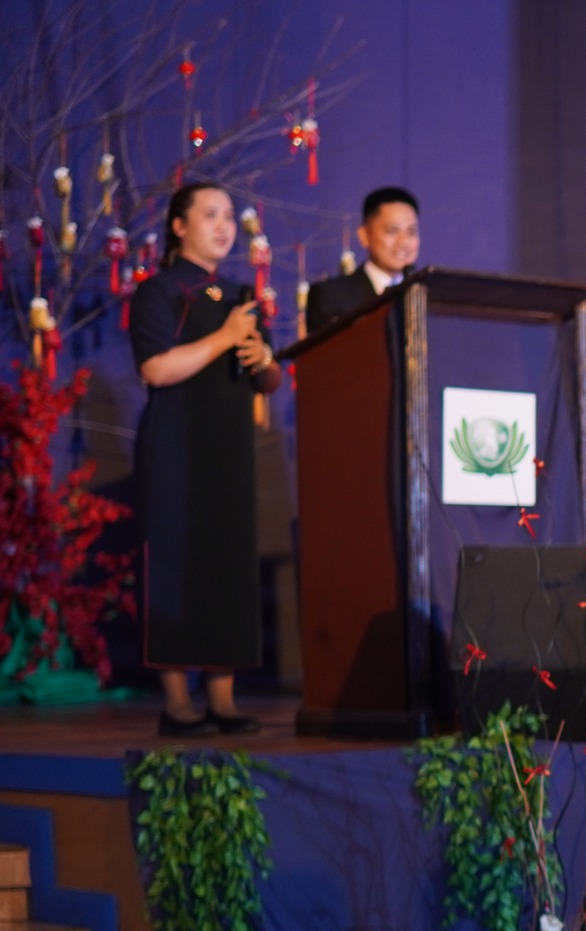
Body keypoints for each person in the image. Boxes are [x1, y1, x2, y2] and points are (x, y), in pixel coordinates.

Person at [130, 182, 283, 736]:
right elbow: (156, 370)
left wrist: (264, 355)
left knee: (227, 565)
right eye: (209, 215)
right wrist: (224, 339)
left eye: (228, 217)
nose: (223, 227)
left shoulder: (240, 295)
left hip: (228, 450)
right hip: (176, 446)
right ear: (179, 225)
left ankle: (223, 699)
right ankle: (177, 705)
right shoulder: (159, 292)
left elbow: (266, 379)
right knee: (176, 563)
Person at [304, 186, 419, 332]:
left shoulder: (430, 295)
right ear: (364, 235)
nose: (403, 242)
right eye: (392, 230)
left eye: (411, 231)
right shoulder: (330, 296)